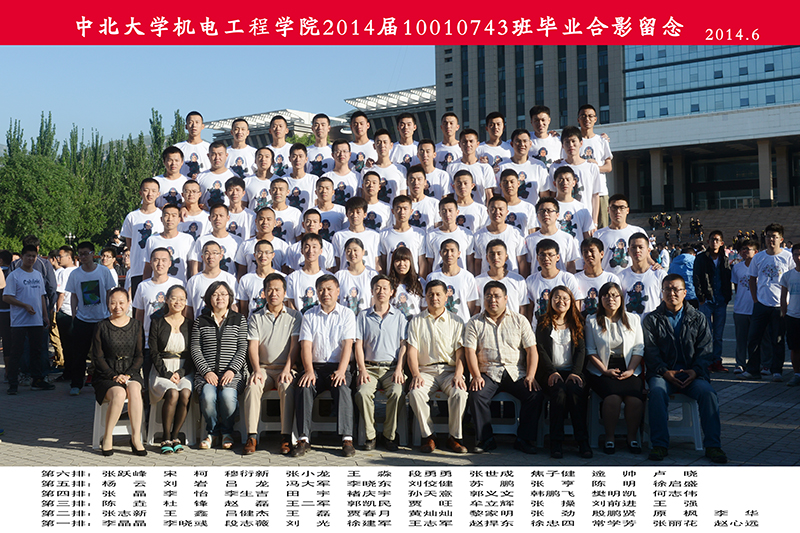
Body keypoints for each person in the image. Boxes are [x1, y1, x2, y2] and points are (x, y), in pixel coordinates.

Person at [643, 274, 727, 463]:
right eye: (667, 289)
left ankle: (713, 446)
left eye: (676, 289)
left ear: (684, 292)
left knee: (708, 394)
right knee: (656, 393)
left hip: (692, 375)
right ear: (662, 292)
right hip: (663, 374)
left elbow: (706, 350)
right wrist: (665, 372)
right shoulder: (652, 320)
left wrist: (695, 371)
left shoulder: (698, 318)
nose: (671, 293)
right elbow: (650, 351)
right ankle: (659, 445)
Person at [465, 281, 543, 454]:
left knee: (534, 394)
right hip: (488, 372)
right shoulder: (474, 322)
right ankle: (486, 439)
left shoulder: (520, 320)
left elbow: (532, 350)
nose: (492, 300)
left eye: (497, 296)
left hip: (516, 372)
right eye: (488, 296)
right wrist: (476, 376)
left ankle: (524, 439)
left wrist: (530, 375)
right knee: (477, 395)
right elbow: (469, 351)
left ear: (506, 298)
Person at [291, 275, 357, 457]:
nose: (325, 293)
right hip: (315, 367)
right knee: (304, 387)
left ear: (338, 292)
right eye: (321, 289)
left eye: (329, 289)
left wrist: (341, 371)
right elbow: (305, 346)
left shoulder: (347, 314)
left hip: (339, 366)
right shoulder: (309, 315)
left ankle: (347, 439)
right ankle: (303, 438)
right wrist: (309, 370)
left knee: (343, 387)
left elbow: (348, 345)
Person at [406, 280, 469, 453]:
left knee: (460, 393)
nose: (434, 298)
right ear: (425, 297)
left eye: (438, 294)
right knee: (415, 393)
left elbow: (460, 353)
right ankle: (429, 436)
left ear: (446, 296)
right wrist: (416, 374)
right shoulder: (416, 321)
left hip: (449, 371)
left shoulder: (456, 321)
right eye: (430, 294)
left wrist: (458, 374)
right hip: (425, 371)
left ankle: (454, 437)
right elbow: (412, 352)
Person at [242, 273, 301, 455]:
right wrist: (256, 370)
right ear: (264, 292)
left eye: (277, 290)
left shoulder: (294, 316)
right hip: (264, 368)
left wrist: (287, 369)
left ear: (284, 293)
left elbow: (295, 346)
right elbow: (253, 346)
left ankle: (286, 436)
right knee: (252, 387)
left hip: (286, 368)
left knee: (286, 386)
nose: (273, 293)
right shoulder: (256, 317)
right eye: (269, 290)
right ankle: (252, 436)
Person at [585, 281, 645, 455]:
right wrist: (604, 371)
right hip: (601, 369)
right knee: (613, 399)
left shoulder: (633, 319)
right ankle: (609, 438)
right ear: (600, 299)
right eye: (606, 295)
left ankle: (632, 438)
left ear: (621, 298)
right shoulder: (592, 320)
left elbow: (639, 348)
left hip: (629, 367)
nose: (610, 299)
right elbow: (590, 350)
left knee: (634, 400)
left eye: (614, 295)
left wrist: (631, 370)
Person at [535, 285, 592, 458]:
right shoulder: (542, 321)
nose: (561, 301)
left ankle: (582, 441)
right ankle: (556, 442)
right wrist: (552, 372)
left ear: (571, 302)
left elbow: (581, 350)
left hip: (573, 371)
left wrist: (575, 373)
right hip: (550, 372)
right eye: (557, 298)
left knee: (575, 392)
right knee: (559, 392)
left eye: (565, 298)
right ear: (550, 301)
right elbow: (541, 350)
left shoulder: (578, 321)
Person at [192, 281, 248, 450]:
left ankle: (227, 431)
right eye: (215, 294)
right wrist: (206, 372)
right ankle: (213, 432)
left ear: (230, 297)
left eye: (223, 294)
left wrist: (232, 370)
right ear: (209, 298)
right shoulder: (200, 321)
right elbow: (195, 349)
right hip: (206, 375)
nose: (219, 298)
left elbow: (242, 348)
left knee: (227, 397)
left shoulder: (239, 319)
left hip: (233, 374)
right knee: (208, 397)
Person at [354, 275, 407, 451]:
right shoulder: (363, 316)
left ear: (392, 292)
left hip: (392, 368)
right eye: (377, 287)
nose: (381, 291)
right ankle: (371, 436)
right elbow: (358, 345)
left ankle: (388, 435)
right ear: (372, 291)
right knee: (362, 393)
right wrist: (362, 369)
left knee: (397, 392)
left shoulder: (399, 316)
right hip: (369, 368)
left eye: (385, 288)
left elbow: (404, 345)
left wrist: (399, 368)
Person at [90, 287, 145, 456]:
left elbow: (139, 355)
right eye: (113, 303)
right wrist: (114, 375)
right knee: (119, 394)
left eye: (121, 303)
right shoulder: (101, 326)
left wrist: (128, 374)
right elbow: (97, 357)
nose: (117, 307)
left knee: (134, 389)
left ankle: (135, 438)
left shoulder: (136, 325)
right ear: (108, 304)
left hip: (130, 372)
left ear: (129, 303)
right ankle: (108, 436)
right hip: (106, 374)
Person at [65, 241, 120, 396]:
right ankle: (76, 384)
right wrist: (74, 314)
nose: (83, 257)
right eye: (80, 254)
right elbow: (73, 295)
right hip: (82, 319)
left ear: (93, 254)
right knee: (79, 354)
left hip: (102, 318)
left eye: (86, 253)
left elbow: (109, 292)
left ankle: (106, 381)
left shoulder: (103, 271)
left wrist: (110, 312)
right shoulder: (75, 274)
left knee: (105, 353)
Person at [741, 223, 795, 381]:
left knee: (777, 340)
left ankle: (776, 370)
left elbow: (793, 278)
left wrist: (788, 302)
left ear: (781, 239)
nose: (771, 239)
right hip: (761, 305)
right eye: (768, 236)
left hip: (780, 306)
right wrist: (755, 300)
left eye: (775, 237)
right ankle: (753, 369)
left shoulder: (788, 257)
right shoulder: (759, 257)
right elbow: (752, 279)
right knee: (754, 338)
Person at [148, 285, 193, 454]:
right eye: (174, 298)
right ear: (166, 300)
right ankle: (165, 436)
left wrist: (181, 373)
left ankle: (175, 436)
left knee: (185, 393)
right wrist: (167, 374)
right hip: (161, 370)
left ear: (186, 302)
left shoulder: (190, 324)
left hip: (184, 370)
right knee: (173, 393)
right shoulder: (157, 322)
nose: (178, 302)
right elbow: (153, 352)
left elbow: (192, 353)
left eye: (182, 299)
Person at [3, 245, 53, 393]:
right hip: (19, 321)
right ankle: (13, 383)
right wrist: (24, 305)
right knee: (17, 352)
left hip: (36, 320)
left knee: (36, 351)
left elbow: (42, 296)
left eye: (33, 256)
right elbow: (6, 297)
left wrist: (45, 315)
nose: (31, 258)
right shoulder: (14, 275)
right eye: (28, 256)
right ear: (22, 257)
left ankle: (37, 380)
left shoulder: (38, 275)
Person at [694, 231, 732, 373]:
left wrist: (727, 297)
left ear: (721, 243)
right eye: (712, 240)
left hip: (721, 300)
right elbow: (697, 277)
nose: (714, 242)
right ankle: (707, 361)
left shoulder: (724, 258)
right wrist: (701, 297)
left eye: (717, 240)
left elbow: (727, 278)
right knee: (706, 333)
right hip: (706, 300)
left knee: (718, 334)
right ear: (708, 242)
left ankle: (717, 361)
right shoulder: (701, 258)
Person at [120, 178, 163, 300]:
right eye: (146, 190)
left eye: (153, 191)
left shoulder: (162, 216)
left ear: (158, 194)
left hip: (158, 270)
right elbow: (130, 244)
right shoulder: (132, 217)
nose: (150, 194)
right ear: (140, 192)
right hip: (137, 269)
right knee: (138, 305)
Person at [593, 194, 649, 276]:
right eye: (614, 208)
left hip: (631, 278)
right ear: (608, 210)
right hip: (608, 279)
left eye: (622, 208)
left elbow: (647, 256)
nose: (618, 211)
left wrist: (655, 265)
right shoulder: (599, 234)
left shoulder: (637, 231)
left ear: (627, 210)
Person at [577, 104, 613, 228]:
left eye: (590, 116)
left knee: (601, 227)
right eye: (583, 116)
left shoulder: (602, 140)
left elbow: (608, 167)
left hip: (600, 190)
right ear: (578, 119)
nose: (587, 119)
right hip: (580, 192)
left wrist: (593, 168)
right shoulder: (573, 142)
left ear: (595, 119)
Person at [618, 233, 667, 320]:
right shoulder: (621, 276)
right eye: (634, 247)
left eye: (641, 247)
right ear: (628, 250)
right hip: (629, 325)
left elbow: (666, 303)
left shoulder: (659, 274)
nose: (637, 250)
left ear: (648, 250)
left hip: (652, 325)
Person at [475, 239, 530, 315]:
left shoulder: (518, 280)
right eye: (492, 254)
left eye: (499, 254)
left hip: (512, 322)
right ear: (487, 258)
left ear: (506, 257)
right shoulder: (477, 281)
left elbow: (523, 308)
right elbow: (476, 309)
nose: (495, 257)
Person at [185, 241, 238, 319]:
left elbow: (234, 306)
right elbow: (189, 308)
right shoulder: (193, 281)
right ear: (202, 257)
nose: (211, 256)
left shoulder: (230, 279)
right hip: (201, 324)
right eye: (207, 253)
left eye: (215, 253)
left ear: (221, 256)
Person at [496, 129, 548, 205]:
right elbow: (497, 194)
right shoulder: (502, 167)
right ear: (511, 144)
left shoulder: (539, 166)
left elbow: (544, 194)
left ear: (530, 144)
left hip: (532, 211)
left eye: (525, 141)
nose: (522, 144)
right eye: (518, 141)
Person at [731, 240, 759, 374]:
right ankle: (740, 363)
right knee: (741, 339)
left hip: (756, 308)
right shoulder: (737, 267)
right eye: (742, 249)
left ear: (755, 252)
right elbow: (736, 287)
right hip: (740, 308)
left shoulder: (760, 267)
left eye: (748, 249)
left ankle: (759, 364)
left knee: (757, 340)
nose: (744, 251)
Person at [447, 129, 495, 205]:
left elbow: (489, 194)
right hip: (459, 210)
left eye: (471, 141)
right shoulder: (452, 167)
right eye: (464, 142)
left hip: (479, 209)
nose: (468, 144)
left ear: (477, 144)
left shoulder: (485, 168)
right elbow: (450, 194)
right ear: (459, 144)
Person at [575, 238, 620, 317]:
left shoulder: (611, 279)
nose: (589, 254)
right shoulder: (575, 279)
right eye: (585, 252)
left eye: (592, 251)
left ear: (601, 254)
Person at [335, 238, 378, 316]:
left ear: (363, 252)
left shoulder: (372, 274)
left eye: (355, 250)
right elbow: (336, 301)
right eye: (348, 251)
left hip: (366, 319)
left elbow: (375, 301)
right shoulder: (339, 275)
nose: (352, 254)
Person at [387, 246, 425, 320]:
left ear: (410, 262)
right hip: (394, 323)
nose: (401, 264)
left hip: (415, 324)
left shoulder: (420, 282)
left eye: (405, 260)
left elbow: (424, 309)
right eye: (397, 260)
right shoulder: (388, 283)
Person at [781, 243, 800, 387]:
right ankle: (797, 374)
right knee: (794, 347)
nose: (798, 258)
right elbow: (783, 297)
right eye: (796, 254)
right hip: (792, 316)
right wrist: (784, 313)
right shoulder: (787, 275)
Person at [174, 111, 211, 178]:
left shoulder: (209, 148)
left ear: (202, 126)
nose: (194, 125)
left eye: (197, 122)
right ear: (186, 126)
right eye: (190, 122)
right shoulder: (177, 148)